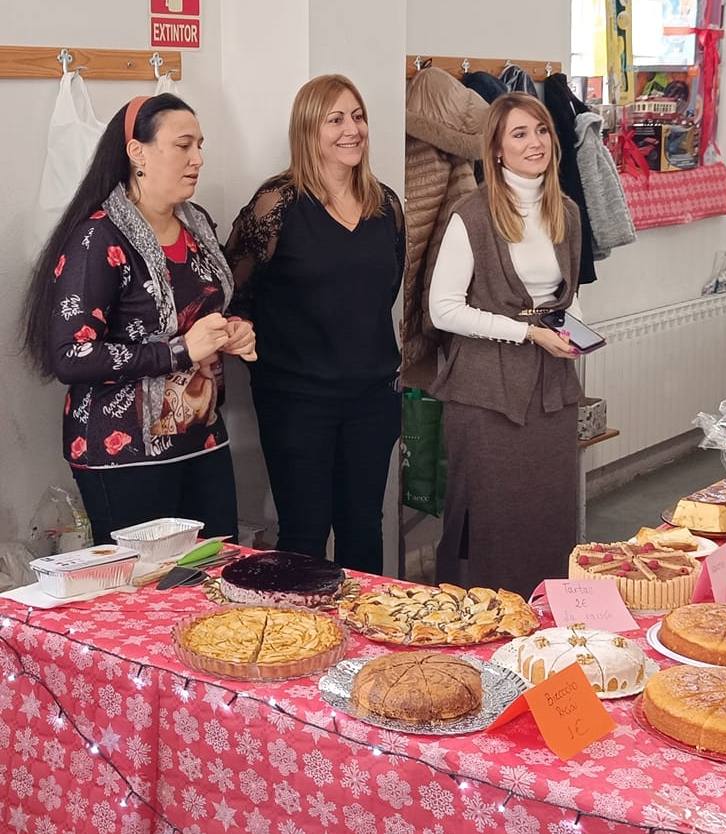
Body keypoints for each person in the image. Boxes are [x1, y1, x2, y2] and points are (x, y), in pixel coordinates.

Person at [21, 94, 254, 544]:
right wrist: (183, 349)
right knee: (143, 595)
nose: (198, 159)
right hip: (123, 452)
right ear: (137, 152)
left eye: (200, 146)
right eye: (183, 146)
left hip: (200, 438)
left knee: (213, 575)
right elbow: (71, 355)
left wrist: (231, 331)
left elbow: (208, 311)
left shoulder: (196, 224)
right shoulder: (98, 238)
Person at [226, 75, 404, 575]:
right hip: (296, 398)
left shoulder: (386, 205)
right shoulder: (276, 204)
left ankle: (366, 642)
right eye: (336, 119)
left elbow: (383, 292)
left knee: (364, 527)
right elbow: (232, 288)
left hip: (371, 396)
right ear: (309, 129)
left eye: (358, 116)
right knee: (304, 531)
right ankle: (302, 645)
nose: (352, 129)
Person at [427, 93, 584, 597]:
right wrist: (527, 332)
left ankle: (544, 626)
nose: (535, 142)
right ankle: (477, 625)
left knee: (549, 514)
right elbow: (442, 309)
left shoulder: (566, 212)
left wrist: (578, 332)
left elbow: (567, 297)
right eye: (519, 134)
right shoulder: (470, 216)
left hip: (550, 392)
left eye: (541, 130)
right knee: (488, 519)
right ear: (495, 149)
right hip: (486, 395)